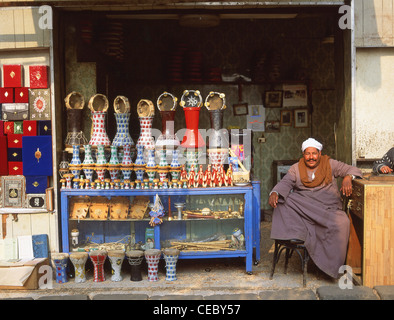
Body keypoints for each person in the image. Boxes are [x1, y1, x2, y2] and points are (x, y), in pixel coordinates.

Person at [268, 138, 362, 279]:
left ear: (319, 153)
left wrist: (348, 177)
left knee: (343, 222)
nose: (311, 157)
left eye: (314, 153)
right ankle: (300, 234)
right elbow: (285, 182)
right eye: (307, 154)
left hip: (327, 208)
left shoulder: (330, 164)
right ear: (303, 155)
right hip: (305, 208)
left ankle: (330, 268)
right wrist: (275, 193)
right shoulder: (296, 168)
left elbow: (353, 169)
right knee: (282, 200)